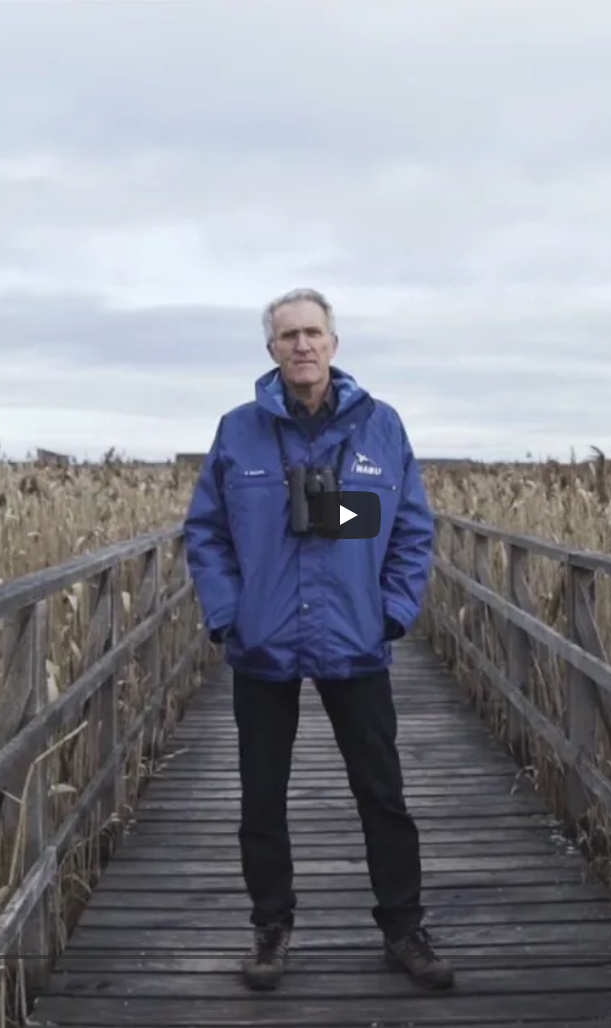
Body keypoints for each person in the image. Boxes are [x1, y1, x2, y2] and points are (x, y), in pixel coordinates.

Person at [182, 287, 452, 993]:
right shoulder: (238, 431)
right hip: (263, 641)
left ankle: (403, 930)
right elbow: (206, 532)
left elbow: (412, 530)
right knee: (261, 799)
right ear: (269, 350)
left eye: (312, 333)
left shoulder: (381, 428)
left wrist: (391, 613)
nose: (301, 345)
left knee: (382, 792)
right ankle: (270, 930)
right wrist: (227, 615)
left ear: (334, 343)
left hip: (353, 639)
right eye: (286, 336)